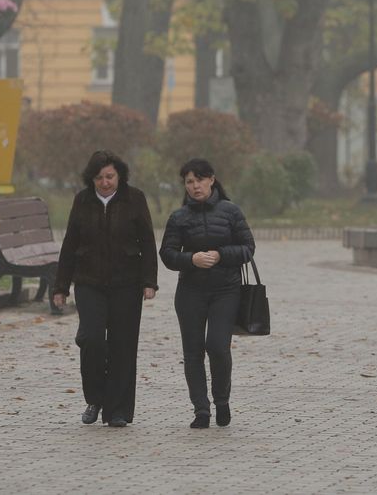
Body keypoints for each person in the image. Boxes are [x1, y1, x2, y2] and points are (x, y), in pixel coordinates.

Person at [52, 150, 158, 427]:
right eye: (99, 177)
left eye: (110, 176)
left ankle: (118, 410)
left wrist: (149, 281)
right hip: (89, 283)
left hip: (127, 283)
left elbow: (147, 242)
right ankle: (95, 398)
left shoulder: (134, 199)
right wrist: (60, 286)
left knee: (123, 345)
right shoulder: (83, 200)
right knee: (91, 339)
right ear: (92, 178)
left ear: (119, 176)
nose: (105, 182)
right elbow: (69, 244)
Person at [160, 158, 256, 429]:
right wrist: (191, 260)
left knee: (217, 346)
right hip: (190, 292)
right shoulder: (178, 217)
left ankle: (222, 401)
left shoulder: (231, 212)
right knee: (192, 352)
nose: (195, 186)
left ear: (211, 180)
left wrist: (220, 254)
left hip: (226, 290)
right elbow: (167, 254)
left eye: (200, 180)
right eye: (189, 182)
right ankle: (201, 409)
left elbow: (248, 248)